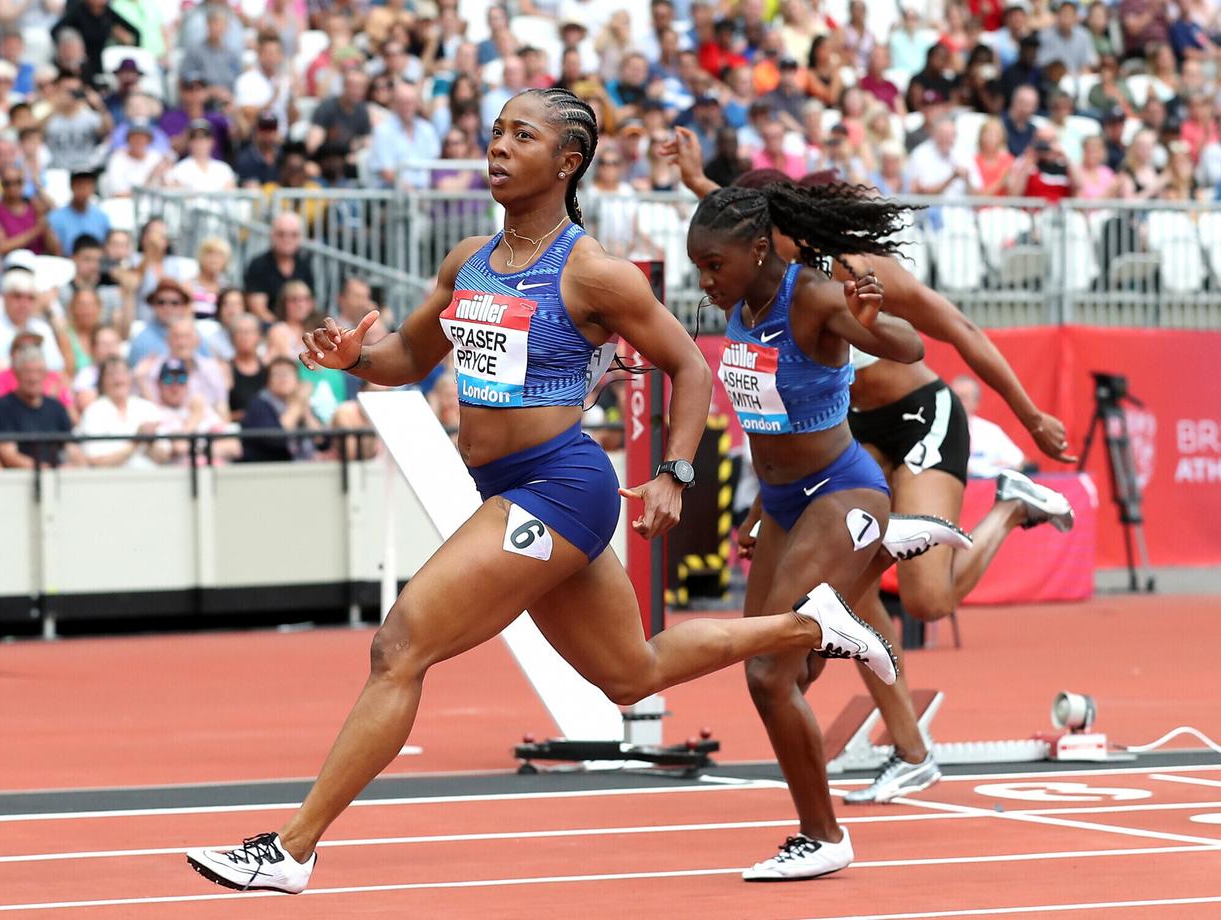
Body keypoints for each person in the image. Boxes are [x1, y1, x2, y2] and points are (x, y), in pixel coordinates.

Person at [185, 88, 896, 895]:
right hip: (512, 489)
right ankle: (810, 624)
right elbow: (404, 360)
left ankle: (291, 849)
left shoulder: (594, 273)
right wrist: (353, 359)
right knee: (631, 675)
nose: (497, 147)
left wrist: (675, 471)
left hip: (558, 486)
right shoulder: (467, 260)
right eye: (495, 132)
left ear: (567, 162)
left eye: (520, 136)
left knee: (399, 648)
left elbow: (689, 366)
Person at [669, 143, 1079, 816]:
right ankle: (913, 753)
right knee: (852, 599)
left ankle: (1008, 506)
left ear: (776, 235)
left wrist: (1030, 416)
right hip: (847, 438)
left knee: (927, 601)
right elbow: (727, 237)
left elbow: (958, 331)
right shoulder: (761, 279)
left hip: (919, 418)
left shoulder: (854, 272)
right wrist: (695, 181)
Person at [0, 345, 83, 468]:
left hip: (56, 474)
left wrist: (79, 464)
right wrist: (47, 470)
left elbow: (71, 447)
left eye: (39, 371)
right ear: (16, 374)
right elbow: (9, 455)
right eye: (27, 372)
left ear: (46, 374)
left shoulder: (56, 407)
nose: (34, 378)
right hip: (22, 476)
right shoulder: (2, 408)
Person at [76, 357, 168, 468]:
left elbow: (164, 457)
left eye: (123, 373)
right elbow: (96, 461)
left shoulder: (147, 408)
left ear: (130, 378)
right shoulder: (93, 412)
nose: (118, 379)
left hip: (152, 476)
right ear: (102, 381)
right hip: (111, 477)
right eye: (111, 374)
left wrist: (149, 441)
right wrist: (136, 442)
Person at [951, 375, 1028, 479]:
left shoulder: (990, 431)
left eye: (963, 398)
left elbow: (1019, 460)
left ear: (975, 403)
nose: (957, 402)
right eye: (954, 397)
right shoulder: (936, 429)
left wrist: (1003, 465)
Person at [242, 211, 314, 322]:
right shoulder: (259, 264)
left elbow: (310, 303)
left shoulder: (304, 265)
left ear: (300, 238)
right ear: (272, 235)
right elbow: (258, 309)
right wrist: (281, 327)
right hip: (267, 326)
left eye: (293, 235)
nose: (287, 239)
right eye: (281, 234)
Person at [47, 170, 111, 255]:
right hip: (67, 261)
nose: (84, 190)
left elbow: (105, 248)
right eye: (80, 185)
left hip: (96, 261)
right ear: (72, 186)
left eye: (88, 185)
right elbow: (56, 252)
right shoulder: (55, 218)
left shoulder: (102, 217)